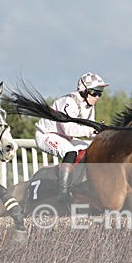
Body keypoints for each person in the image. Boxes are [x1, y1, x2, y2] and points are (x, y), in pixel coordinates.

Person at [35, 72, 108, 202]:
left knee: (92, 149)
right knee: (70, 152)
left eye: (100, 93)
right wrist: (93, 130)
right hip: (46, 134)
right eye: (94, 93)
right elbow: (69, 129)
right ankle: (62, 193)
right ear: (84, 90)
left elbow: (88, 131)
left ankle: (81, 183)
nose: (97, 97)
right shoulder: (69, 102)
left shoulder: (90, 106)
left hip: (64, 137)